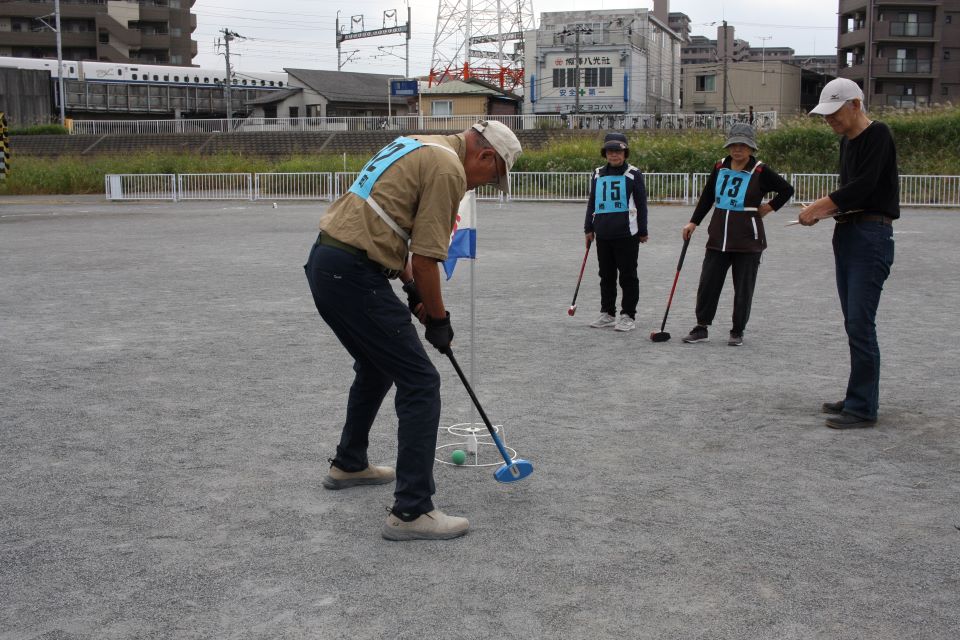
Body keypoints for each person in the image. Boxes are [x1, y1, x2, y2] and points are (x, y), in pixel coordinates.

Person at [304, 121, 522, 539]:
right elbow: (425, 259)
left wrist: (411, 291)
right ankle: (412, 511)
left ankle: (349, 463)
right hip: (353, 274)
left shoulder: (419, 143)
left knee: (377, 365)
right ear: (485, 156)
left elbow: (389, 227)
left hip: (328, 263)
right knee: (421, 382)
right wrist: (439, 321)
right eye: (490, 179)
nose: (480, 186)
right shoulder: (448, 169)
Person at [799, 78, 898, 429]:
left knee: (860, 322)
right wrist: (825, 213)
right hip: (849, 231)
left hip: (872, 235)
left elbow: (866, 186)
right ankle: (857, 395)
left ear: (855, 105)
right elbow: (850, 194)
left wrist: (821, 204)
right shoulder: (847, 143)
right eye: (825, 116)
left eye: (834, 113)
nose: (830, 121)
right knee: (853, 322)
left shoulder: (879, 135)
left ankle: (862, 407)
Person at [680, 123, 794, 346]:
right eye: (733, 145)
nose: (737, 150)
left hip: (747, 240)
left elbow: (786, 190)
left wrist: (769, 207)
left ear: (751, 149)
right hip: (718, 237)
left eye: (743, 146)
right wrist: (694, 222)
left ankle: (737, 330)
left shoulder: (760, 170)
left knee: (743, 287)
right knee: (708, 283)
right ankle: (701, 326)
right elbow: (707, 196)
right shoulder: (720, 166)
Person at [584, 132, 649, 332]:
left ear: (625, 152)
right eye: (610, 151)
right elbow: (592, 202)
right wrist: (588, 227)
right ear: (605, 153)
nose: (614, 155)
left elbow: (641, 204)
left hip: (627, 234)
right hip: (603, 233)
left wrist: (643, 230)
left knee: (628, 276)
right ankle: (608, 313)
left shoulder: (633, 174)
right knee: (606, 275)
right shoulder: (598, 173)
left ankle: (628, 315)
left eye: (618, 151)